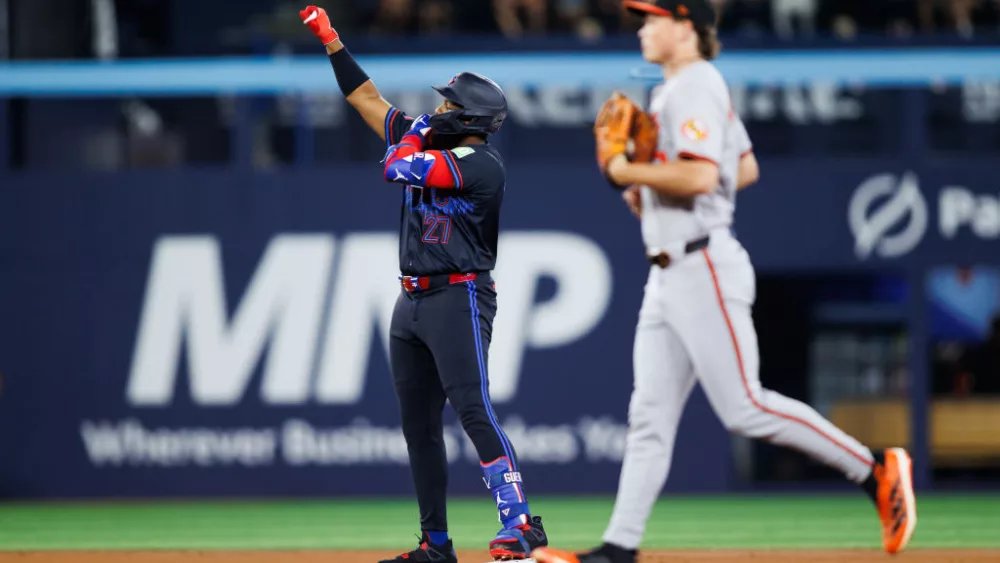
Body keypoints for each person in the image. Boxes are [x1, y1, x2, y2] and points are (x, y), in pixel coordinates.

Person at [532, 2, 917, 562]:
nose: (642, 29)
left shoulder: (693, 85)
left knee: (744, 406)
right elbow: (744, 168)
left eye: (652, 19)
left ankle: (876, 469)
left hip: (703, 265)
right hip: (669, 270)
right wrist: (654, 191)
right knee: (649, 418)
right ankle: (619, 549)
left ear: (685, 26)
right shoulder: (684, 88)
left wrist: (628, 173)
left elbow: (702, 174)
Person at [299, 5, 549, 562]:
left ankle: (522, 525)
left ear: (469, 118)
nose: (438, 108)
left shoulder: (481, 163)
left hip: (458, 294)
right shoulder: (428, 136)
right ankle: (435, 546)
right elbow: (366, 100)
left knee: (472, 408)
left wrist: (414, 133)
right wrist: (332, 41)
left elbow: (397, 168)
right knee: (418, 427)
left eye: (448, 104)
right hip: (410, 299)